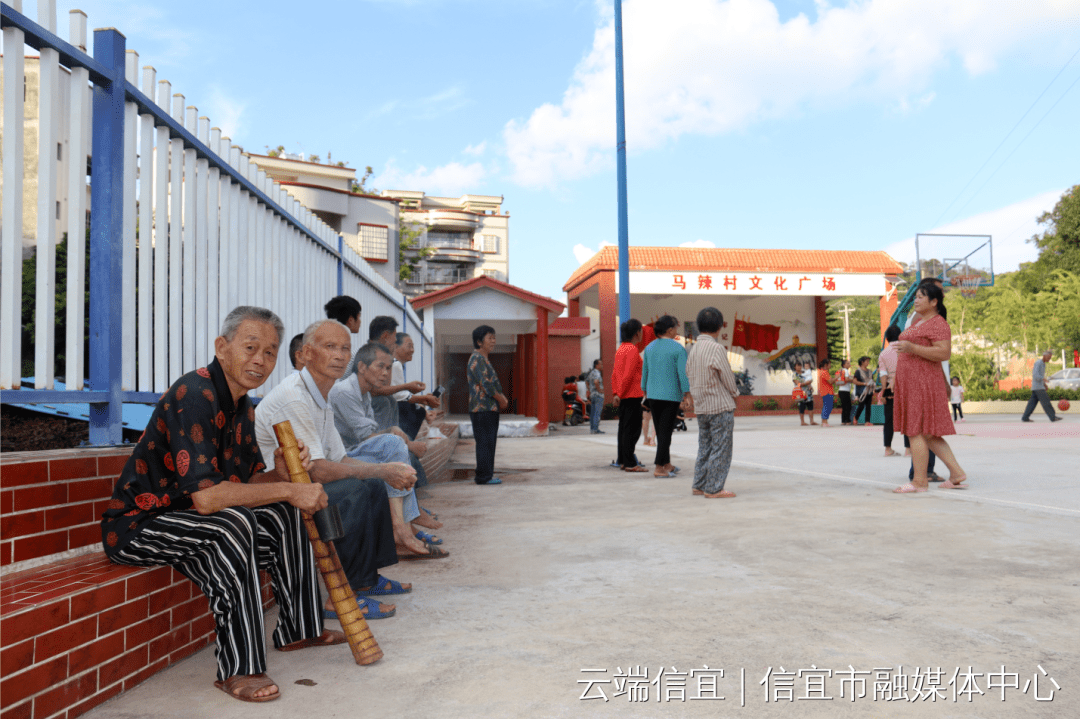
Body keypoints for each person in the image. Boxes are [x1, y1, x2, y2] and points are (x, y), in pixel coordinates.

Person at [101, 306, 342, 704]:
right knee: (235, 524)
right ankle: (240, 667)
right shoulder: (195, 394)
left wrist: (281, 476)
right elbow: (209, 496)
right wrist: (289, 491)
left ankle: (301, 628)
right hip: (140, 525)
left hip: (190, 519)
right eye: (251, 347)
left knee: (282, 512)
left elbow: (245, 484)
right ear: (222, 347)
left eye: (269, 352)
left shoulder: (242, 404)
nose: (260, 360)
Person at [254, 320, 432, 604]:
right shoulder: (295, 397)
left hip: (305, 485)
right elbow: (318, 470)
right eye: (329, 347)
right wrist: (383, 470)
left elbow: (340, 458)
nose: (338, 355)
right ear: (308, 353)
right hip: (279, 493)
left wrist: (381, 474)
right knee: (354, 491)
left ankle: (366, 579)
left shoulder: (322, 397)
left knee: (371, 484)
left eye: (344, 349)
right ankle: (342, 595)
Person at [330, 342, 449, 554]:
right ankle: (404, 525)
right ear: (362, 367)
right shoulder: (344, 392)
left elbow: (371, 433)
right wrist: (407, 442)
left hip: (358, 451)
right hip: (342, 458)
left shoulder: (364, 392)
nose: (386, 373)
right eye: (380, 367)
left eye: (388, 368)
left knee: (395, 443)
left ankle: (407, 524)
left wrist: (396, 432)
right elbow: (366, 436)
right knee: (394, 445)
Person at [892, 282, 968, 493]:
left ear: (934, 302)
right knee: (928, 434)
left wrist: (911, 347)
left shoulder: (937, 323)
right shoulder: (920, 322)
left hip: (922, 383)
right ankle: (956, 473)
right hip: (913, 382)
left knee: (915, 431)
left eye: (921, 297)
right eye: (915, 297)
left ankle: (919, 481)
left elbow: (944, 353)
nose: (915, 300)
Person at [685, 307, 739, 498]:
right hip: (719, 405)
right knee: (721, 448)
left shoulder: (693, 349)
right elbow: (727, 376)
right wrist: (735, 393)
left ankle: (699, 484)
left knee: (705, 445)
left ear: (699, 327)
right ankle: (714, 488)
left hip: (702, 407)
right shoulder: (716, 349)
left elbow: (688, 374)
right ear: (719, 327)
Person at [641, 315, 690, 478]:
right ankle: (659, 467)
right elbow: (682, 374)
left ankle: (666, 463)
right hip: (670, 395)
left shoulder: (649, 348)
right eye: (676, 328)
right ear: (670, 330)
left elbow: (645, 372)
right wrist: (687, 393)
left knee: (662, 430)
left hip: (653, 394)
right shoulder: (677, 348)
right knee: (665, 433)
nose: (677, 331)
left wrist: (644, 390)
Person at [468, 324, 508, 485]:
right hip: (483, 408)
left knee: (488, 442)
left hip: (487, 408)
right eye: (489, 338)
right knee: (485, 442)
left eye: (494, 337)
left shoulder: (482, 359)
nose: (493, 341)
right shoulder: (477, 359)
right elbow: (487, 385)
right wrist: (502, 399)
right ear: (479, 342)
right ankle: (483, 477)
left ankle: (486, 475)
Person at [612, 319, 646, 472]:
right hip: (631, 394)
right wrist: (620, 392)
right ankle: (630, 463)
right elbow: (629, 374)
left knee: (624, 429)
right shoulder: (632, 350)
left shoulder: (620, 349)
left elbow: (615, 375)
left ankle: (623, 460)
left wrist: (616, 393)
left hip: (623, 394)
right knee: (633, 430)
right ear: (637, 332)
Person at [392, 332, 440, 440]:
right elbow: (398, 395)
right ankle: (406, 444)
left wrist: (422, 400)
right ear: (395, 347)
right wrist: (423, 399)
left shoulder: (396, 364)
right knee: (417, 411)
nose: (412, 350)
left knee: (419, 408)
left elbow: (399, 393)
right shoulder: (396, 364)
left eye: (413, 346)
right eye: (409, 346)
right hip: (391, 414)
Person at [877, 324, 902, 456]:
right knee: (908, 419)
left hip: (890, 389)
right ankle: (909, 449)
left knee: (888, 420)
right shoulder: (906, 349)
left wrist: (883, 391)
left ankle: (888, 448)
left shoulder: (883, 354)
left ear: (886, 338)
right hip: (906, 387)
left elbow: (883, 374)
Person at [1021, 350, 1063, 423]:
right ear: (1044, 356)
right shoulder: (1038, 363)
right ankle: (1053, 417)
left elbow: (1039, 375)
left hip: (1038, 386)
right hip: (1038, 387)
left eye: (1050, 357)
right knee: (1046, 402)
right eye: (1048, 357)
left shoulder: (1043, 364)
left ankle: (1025, 417)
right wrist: (1043, 379)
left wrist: (1044, 384)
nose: (1049, 359)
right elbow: (1035, 375)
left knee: (1032, 404)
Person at [853, 356, 875, 425]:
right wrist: (864, 383)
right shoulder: (858, 371)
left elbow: (872, 380)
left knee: (868, 406)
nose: (868, 363)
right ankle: (856, 417)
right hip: (861, 391)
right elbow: (854, 381)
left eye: (868, 361)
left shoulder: (870, 371)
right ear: (862, 362)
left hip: (869, 391)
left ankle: (867, 421)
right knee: (861, 405)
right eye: (867, 361)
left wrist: (873, 388)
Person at [586, 359, 605, 434]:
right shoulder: (597, 372)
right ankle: (595, 429)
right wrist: (599, 389)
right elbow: (596, 381)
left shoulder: (591, 373)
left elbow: (586, 381)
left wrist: (590, 389)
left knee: (593, 413)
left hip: (592, 395)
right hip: (598, 395)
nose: (602, 365)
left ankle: (592, 429)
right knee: (597, 412)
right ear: (597, 365)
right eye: (601, 364)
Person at [795, 361, 816, 426]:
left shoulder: (805, 372)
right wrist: (807, 383)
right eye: (797, 366)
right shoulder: (795, 374)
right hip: (801, 393)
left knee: (810, 406)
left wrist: (810, 386)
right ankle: (802, 422)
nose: (799, 367)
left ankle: (812, 421)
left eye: (800, 366)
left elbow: (809, 380)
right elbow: (798, 384)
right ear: (795, 367)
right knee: (802, 406)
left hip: (808, 392)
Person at [817, 358, 835, 427]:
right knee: (827, 406)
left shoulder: (822, 372)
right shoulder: (824, 372)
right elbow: (831, 381)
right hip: (827, 392)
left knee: (827, 406)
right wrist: (837, 377)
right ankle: (824, 421)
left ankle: (825, 421)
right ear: (825, 365)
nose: (830, 365)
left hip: (826, 391)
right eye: (829, 364)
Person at [836, 359, 854, 425]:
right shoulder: (846, 370)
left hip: (841, 390)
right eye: (848, 363)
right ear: (844, 365)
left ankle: (843, 421)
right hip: (845, 391)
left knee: (844, 407)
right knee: (848, 406)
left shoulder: (840, 371)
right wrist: (853, 380)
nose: (849, 364)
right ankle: (848, 421)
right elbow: (846, 379)